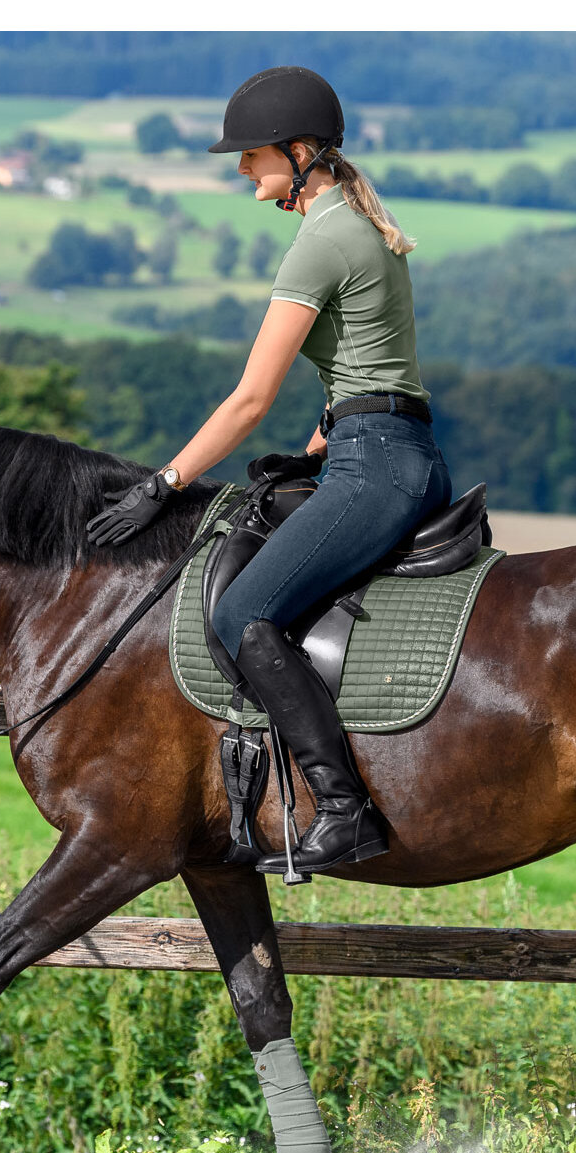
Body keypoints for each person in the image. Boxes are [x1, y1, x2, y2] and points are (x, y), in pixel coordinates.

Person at [87, 65, 452, 873]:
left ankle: (346, 808)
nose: (241, 168)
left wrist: (165, 482)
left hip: (377, 466)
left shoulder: (322, 240)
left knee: (243, 612)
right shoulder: (358, 227)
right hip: (393, 451)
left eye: (251, 155)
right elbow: (372, 371)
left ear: (299, 152)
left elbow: (249, 400)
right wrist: (325, 432)